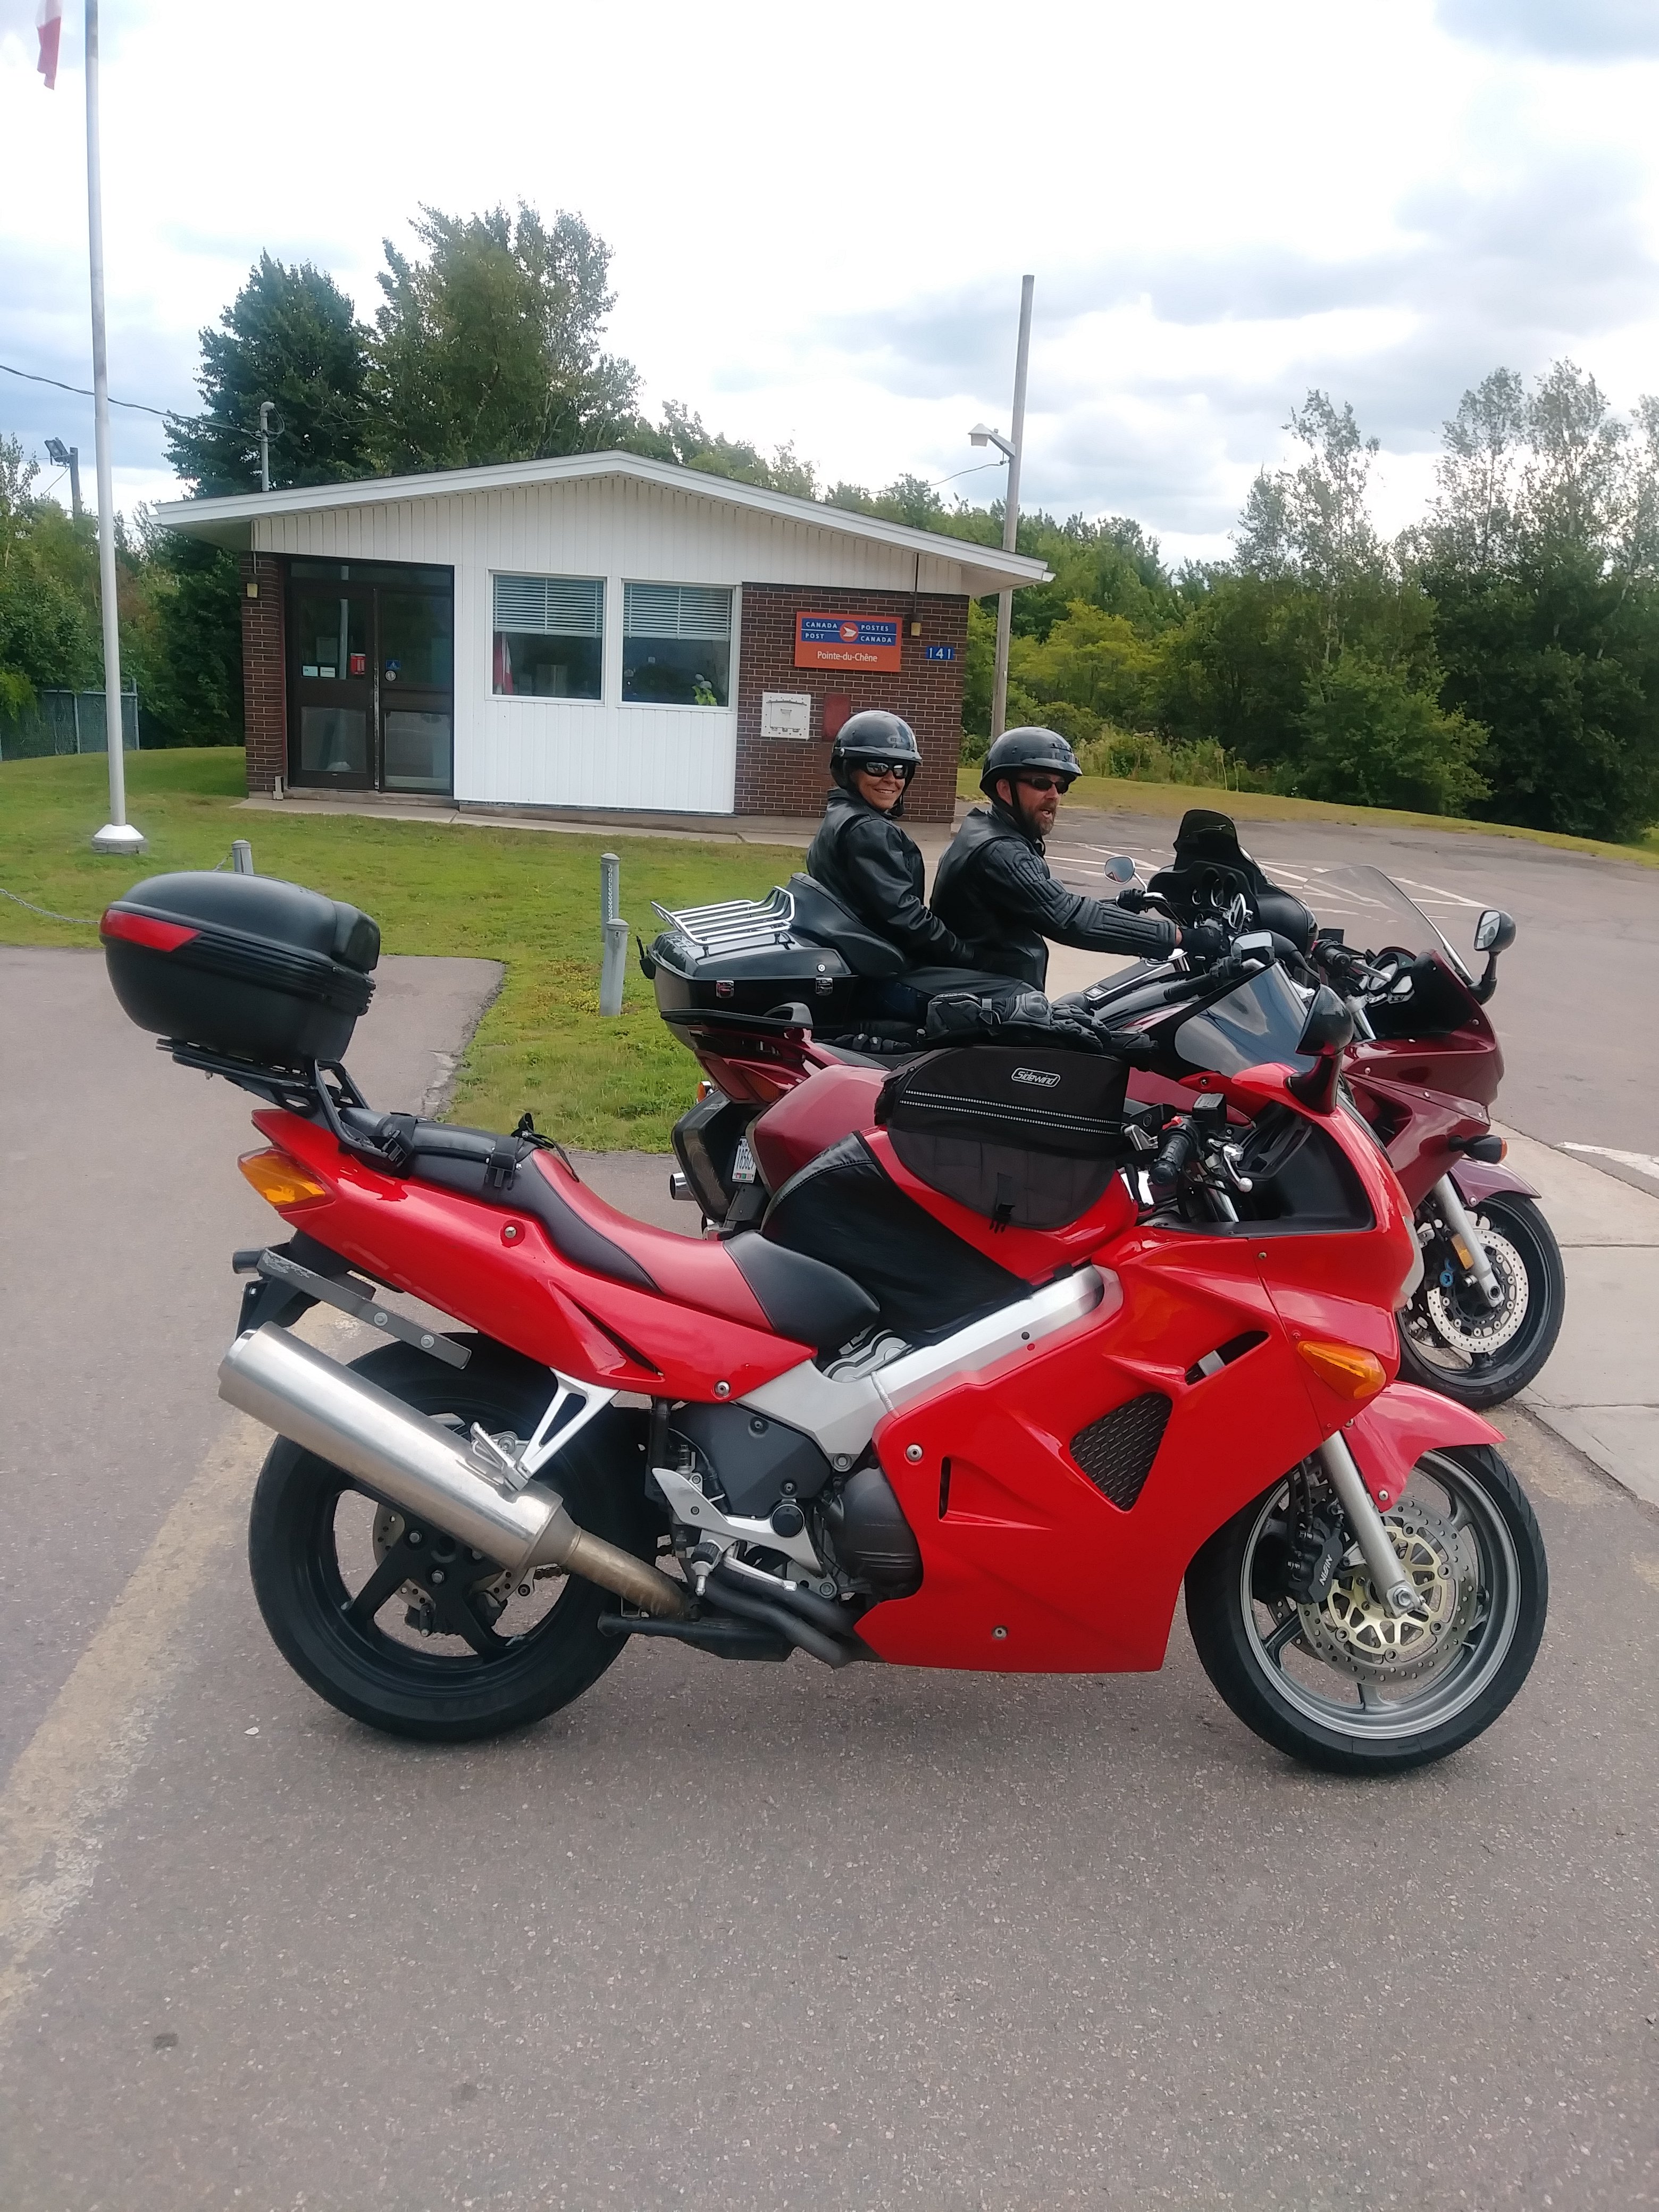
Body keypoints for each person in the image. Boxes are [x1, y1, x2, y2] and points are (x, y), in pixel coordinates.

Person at [931, 726, 1224, 990]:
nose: (1054, 795)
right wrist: (1183, 937)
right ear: (1004, 788)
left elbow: (1045, 904)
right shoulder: (1000, 852)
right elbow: (1069, 919)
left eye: (1061, 786)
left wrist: (1119, 906)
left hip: (985, 990)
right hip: (989, 1004)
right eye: (1041, 783)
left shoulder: (984, 830)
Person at [805, 710, 990, 969]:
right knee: (1012, 989)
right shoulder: (869, 829)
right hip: (881, 968)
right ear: (849, 770)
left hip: (862, 957)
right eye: (877, 767)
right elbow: (905, 916)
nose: (891, 779)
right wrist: (968, 955)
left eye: (900, 769)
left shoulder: (842, 814)